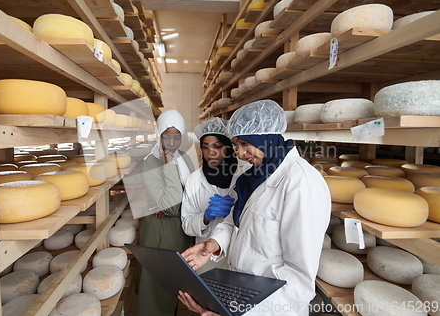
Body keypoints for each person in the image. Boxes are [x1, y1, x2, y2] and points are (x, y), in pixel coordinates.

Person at [178, 100, 331, 316]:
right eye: (236, 146)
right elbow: (235, 221)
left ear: (263, 136)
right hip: (240, 292)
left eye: (243, 143)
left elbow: (298, 278)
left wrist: (241, 313)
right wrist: (214, 244)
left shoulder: (301, 183)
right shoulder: (252, 176)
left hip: (270, 308)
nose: (240, 153)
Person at [136, 109, 195, 316]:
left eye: (176, 137)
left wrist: (176, 207)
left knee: (175, 289)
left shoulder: (186, 159)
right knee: (157, 293)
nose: (171, 143)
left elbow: (192, 197)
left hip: (182, 231)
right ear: (158, 134)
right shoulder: (149, 163)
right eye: (166, 136)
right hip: (161, 235)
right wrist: (169, 164)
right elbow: (172, 206)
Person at [181, 117, 251, 274]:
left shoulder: (246, 172)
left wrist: (237, 212)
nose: (210, 152)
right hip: (205, 257)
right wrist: (205, 217)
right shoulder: (195, 179)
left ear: (228, 147)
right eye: (205, 147)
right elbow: (186, 224)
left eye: (217, 146)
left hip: (238, 255)